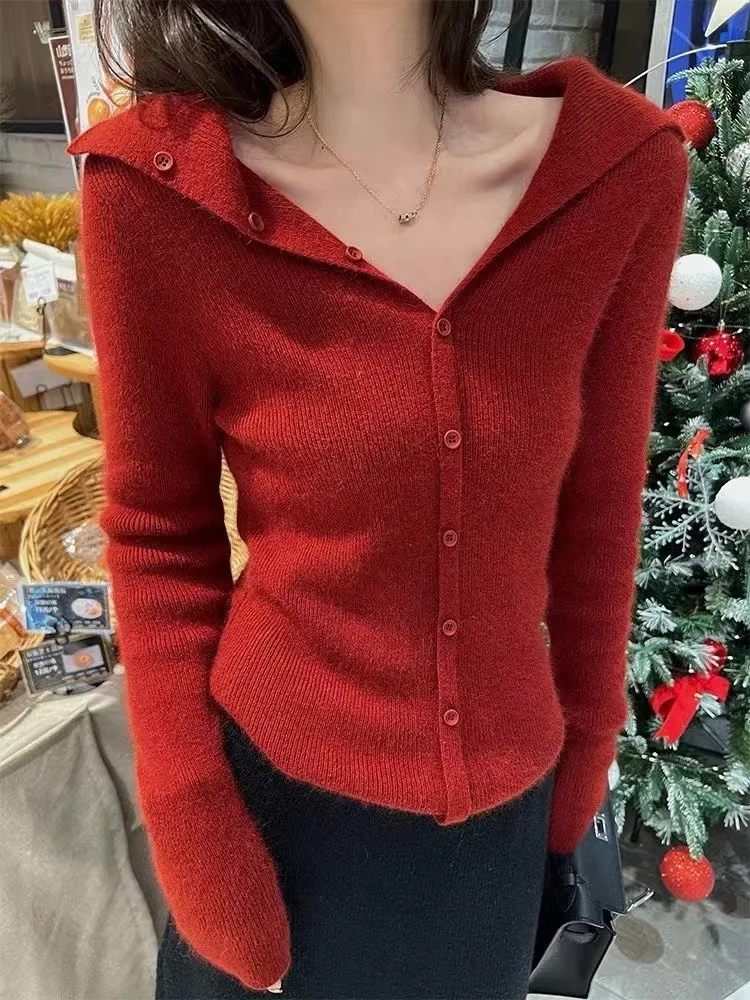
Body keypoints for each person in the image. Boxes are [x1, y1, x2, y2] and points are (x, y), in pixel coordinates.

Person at [69, 1, 688, 997]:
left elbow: (600, 512)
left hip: (495, 823)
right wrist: (189, 816)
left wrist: (583, 753)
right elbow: (157, 530)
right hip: (270, 802)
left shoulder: (615, 171)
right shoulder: (159, 187)